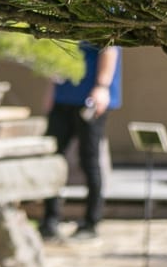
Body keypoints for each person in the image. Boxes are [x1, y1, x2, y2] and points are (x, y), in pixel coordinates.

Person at [41, 43, 118, 240]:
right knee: (53, 157)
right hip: (63, 97)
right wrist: (51, 90)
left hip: (89, 98)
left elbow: (110, 49)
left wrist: (102, 86)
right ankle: (49, 220)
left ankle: (91, 222)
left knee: (89, 160)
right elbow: (56, 51)